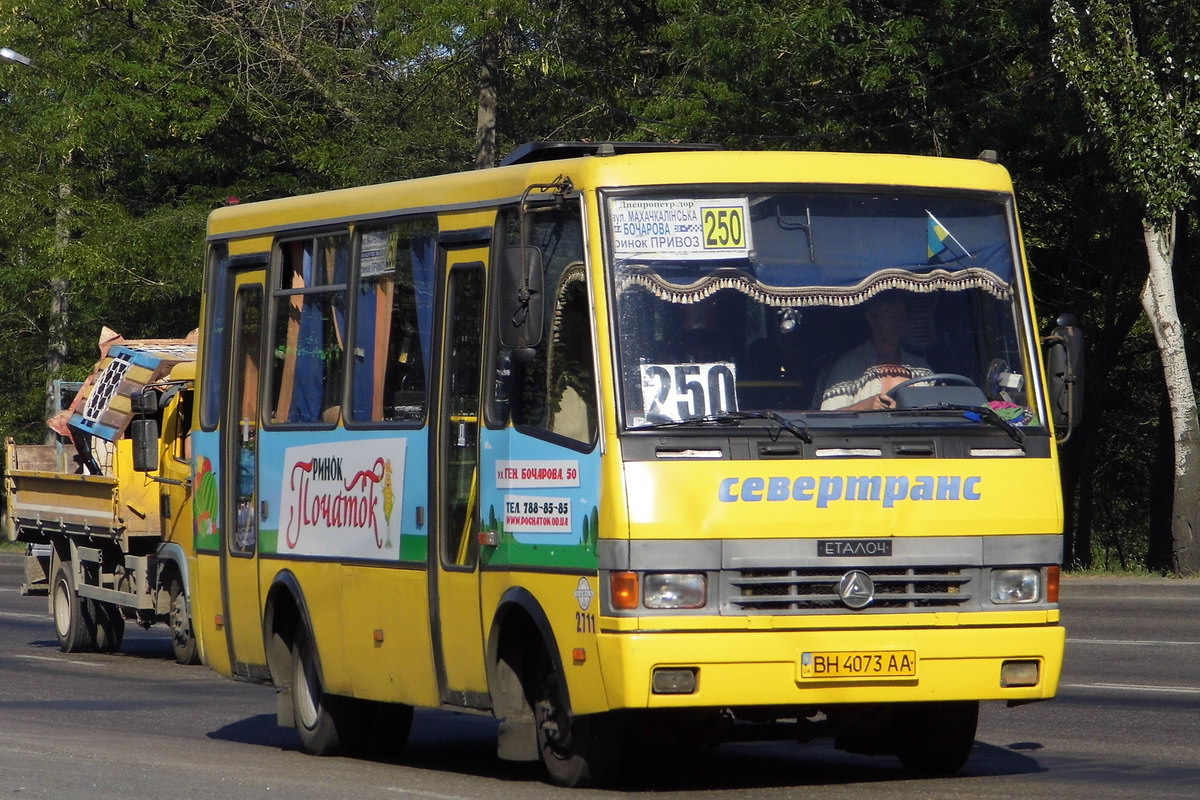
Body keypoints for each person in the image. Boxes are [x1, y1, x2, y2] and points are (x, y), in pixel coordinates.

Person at [817, 291, 933, 410]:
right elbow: (828, 417)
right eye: (891, 314)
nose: (899, 321)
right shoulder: (848, 366)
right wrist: (863, 407)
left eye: (903, 315)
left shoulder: (922, 368)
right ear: (871, 318)